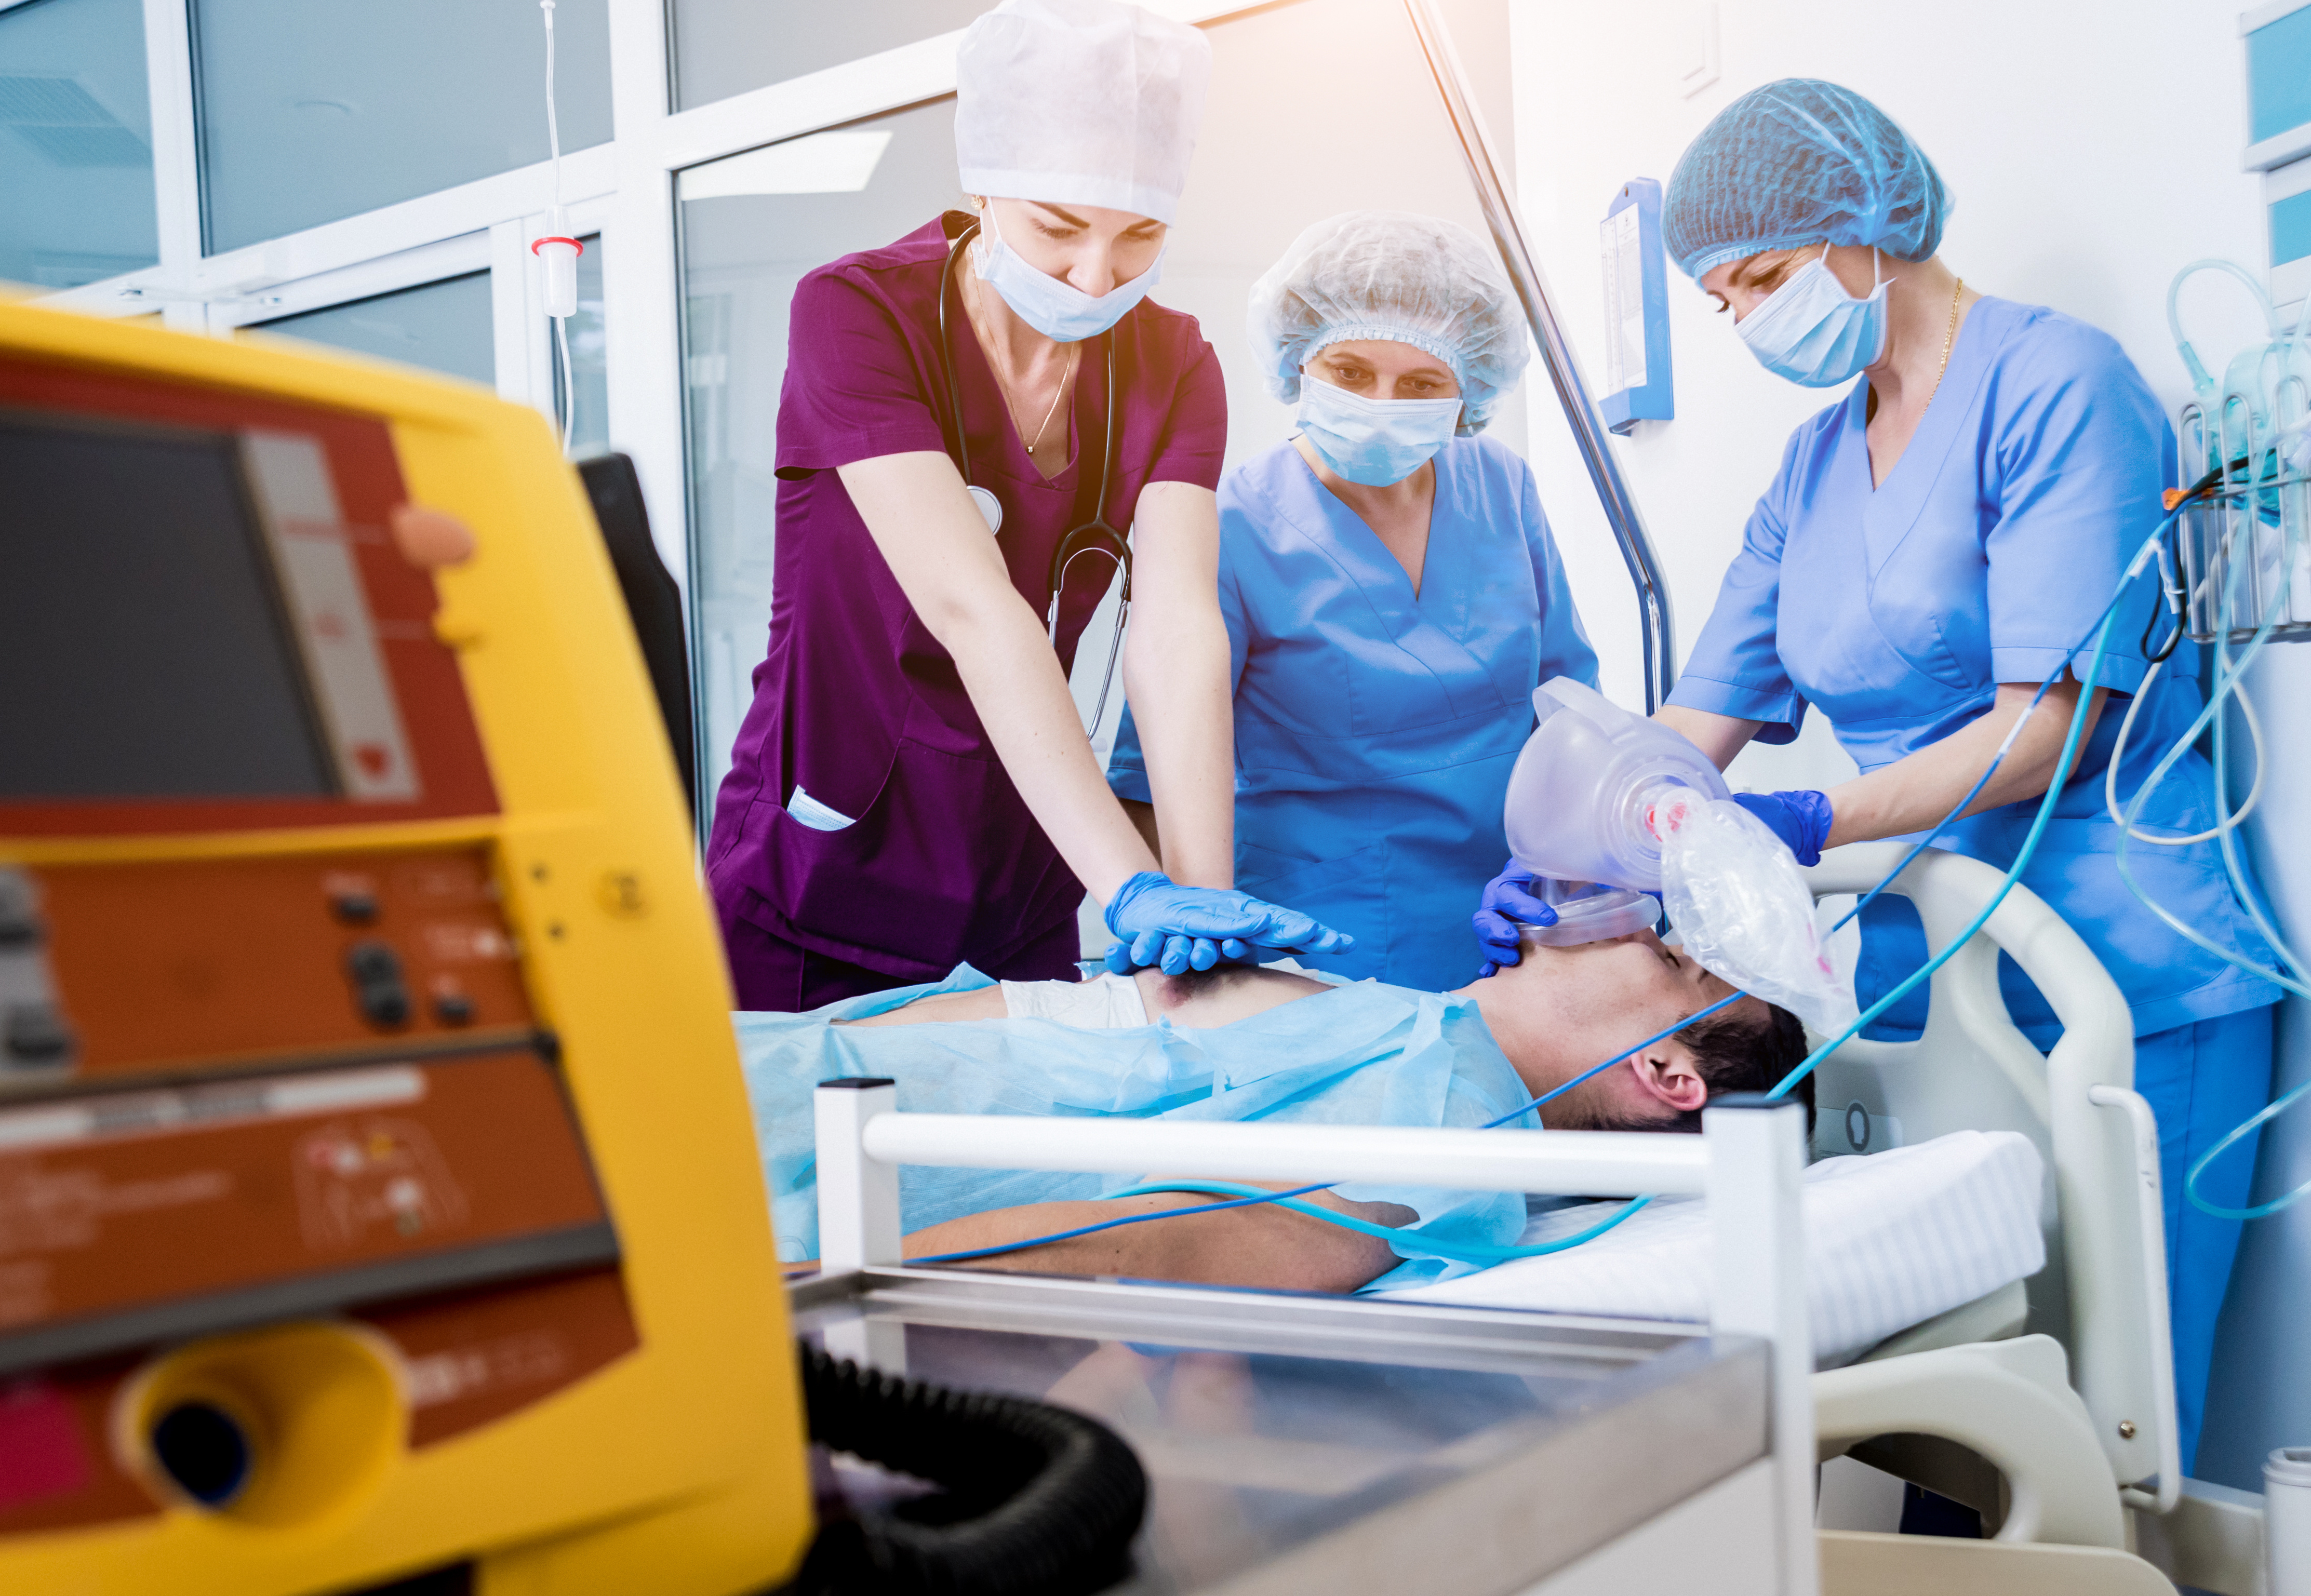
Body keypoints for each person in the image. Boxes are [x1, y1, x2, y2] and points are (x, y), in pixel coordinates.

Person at [1486, 80, 2278, 1470]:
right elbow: (1683, 732)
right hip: (1932, 981)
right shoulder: (1810, 469)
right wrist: (1565, 864)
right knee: (1970, 1408)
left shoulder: (2057, 385)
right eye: (1723, 300)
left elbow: (2052, 725)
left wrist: (1804, 821)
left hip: (2132, 969)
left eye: (1763, 280)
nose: (1747, 322)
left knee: (2124, 1418)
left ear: (1863, 217)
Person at [704, 0, 1346, 1011]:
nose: (1095, 277)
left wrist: (1202, 905)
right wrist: (1131, 882)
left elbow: (1178, 631)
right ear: (983, 178)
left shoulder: (1175, 362)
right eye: (1057, 227)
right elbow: (975, 611)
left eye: (1139, 236)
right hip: (821, 875)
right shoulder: (858, 313)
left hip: (1023, 876)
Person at [738, 928, 1808, 1292]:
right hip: (769, 1065)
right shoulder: (1419, 1025)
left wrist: (796, 1299)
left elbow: (1153, 1246)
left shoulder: (1457, 1134)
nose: (1636, 925)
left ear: (1666, 1071)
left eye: (1672, 959)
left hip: (769, 1175)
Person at [1106, 211, 1599, 988]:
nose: (1381, 403)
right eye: (1350, 372)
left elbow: (1569, 707)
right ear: (1299, 359)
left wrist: (1592, 863)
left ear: (1469, 387)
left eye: (1423, 384)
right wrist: (1179, 949)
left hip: (1519, 927)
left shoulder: (1502, 486)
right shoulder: (1230, 525)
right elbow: (1149, 779)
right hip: (1319, 952)